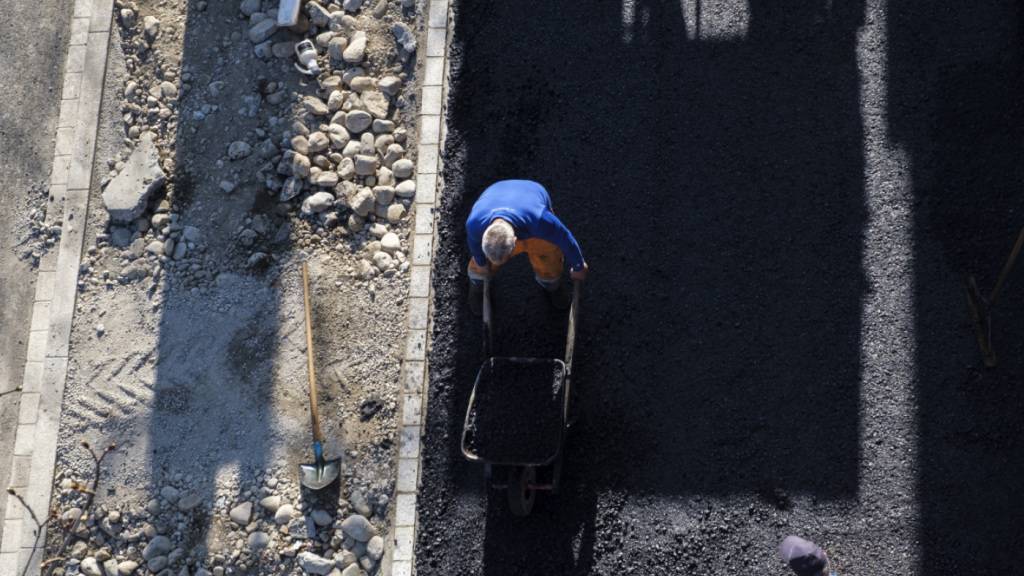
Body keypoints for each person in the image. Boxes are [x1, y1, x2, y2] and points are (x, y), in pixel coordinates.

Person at [465, 180, 588, 315]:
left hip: (531, 197)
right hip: (498, 193)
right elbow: (474, 245)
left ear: (514, 241)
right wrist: (482, 263)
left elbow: (565, 238)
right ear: (484, 236)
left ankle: (550, 283)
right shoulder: (474, 224)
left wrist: (578, 266)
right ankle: (478, 286)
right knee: (479, 265)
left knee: (548, 258)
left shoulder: (541, 222)